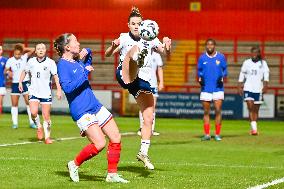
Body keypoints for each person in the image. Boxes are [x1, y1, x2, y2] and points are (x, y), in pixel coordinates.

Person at [54, 33, 128, 183]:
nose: (79, 43)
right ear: (67, 47)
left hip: (94, 105)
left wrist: (87, 51)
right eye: (75, 41)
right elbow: (67, 88)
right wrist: (85, 72)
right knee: (100, 143)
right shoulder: (62, 65)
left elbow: (88, 56)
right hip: (81, 109)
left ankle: (112, 175)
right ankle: (73, 164)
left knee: (116, 137)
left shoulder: (76, 60)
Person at [105, 7, 171, 170]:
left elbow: (166, 54)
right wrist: (112, 46)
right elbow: (107, 54)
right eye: (133, 23)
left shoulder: (152, 38)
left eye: (139, 24)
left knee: (149, 116)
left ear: (143, 25)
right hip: (125, 73)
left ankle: (143, 152)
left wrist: (168, 46)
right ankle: (137, 59)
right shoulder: (123, 38)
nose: (136, 26)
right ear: (128, 25)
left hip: (142, 82)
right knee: (134, 52)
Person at [19, 43, 62, 144]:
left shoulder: (50, 62)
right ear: (36, 51)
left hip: (46, 93)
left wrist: (59, 90)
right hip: (33, 91)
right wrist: (20, 82)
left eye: (42, 48)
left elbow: (56, 77)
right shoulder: (31, 61)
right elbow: (24, 71)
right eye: (38, 49)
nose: (41, 50)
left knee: (46, 116)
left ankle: (47, 138)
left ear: (45, 50)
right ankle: (39, 126)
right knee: (33, 112)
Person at [197, 38, 227, 141]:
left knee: (218, 111)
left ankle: (217, 134)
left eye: (211, 44)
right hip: (205, 89)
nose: (209, 46)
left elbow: (225, 70)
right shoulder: (202, 58)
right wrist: (200, 78)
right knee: (206, 112)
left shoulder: (221, 57)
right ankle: (207, 134)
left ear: (214, 46)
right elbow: (199, 71)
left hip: (218, 88)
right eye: (208, 45)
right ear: (206, 46)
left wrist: (222, 77)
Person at [238, 46, 269, 135]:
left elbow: (266, 75)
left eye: (256, 52)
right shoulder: (246, 62)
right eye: (253, 52)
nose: (254, 54)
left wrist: (265, 86)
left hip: (258, 89)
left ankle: (254, 128)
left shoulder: (263, 63)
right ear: (250, 53)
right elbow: (242, 74)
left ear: (259, 53)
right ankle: (254, 130)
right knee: (250, 107)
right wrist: (240, 86)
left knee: (256, 110)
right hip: (248, 88)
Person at [5, 44, 36, 129]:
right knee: (14, 104)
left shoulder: (25, 57)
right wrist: (8, 73)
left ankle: (32, 122)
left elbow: (33, 49)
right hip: (15, 83)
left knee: (29, 103)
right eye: (16, 54)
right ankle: (15, 123)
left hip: (24, 82)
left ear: (21, 53)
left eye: (19, 54)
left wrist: (23, 48)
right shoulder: (10, 60)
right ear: (13, 53)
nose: (17, 55)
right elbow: (5, 71)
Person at [137, 51, 164, 136]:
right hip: (142, 83)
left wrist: (161, 82)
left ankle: (151, 129)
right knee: (143, 106)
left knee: (152, 107)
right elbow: (136, 68)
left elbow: (160, 69)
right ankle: (142, 128)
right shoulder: (141, 54)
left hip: (153, 84)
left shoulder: (157, 56)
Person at [0, 45, 8, 114]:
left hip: (1, 83)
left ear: (2, 51)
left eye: (0, 49)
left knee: (0, 101)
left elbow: (7, 71)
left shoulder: (5, 60)